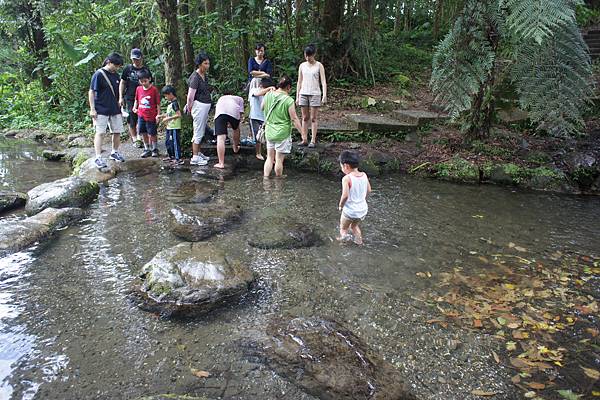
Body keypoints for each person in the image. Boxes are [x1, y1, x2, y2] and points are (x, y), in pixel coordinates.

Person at [88, 52, 126, 169]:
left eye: (119, 66)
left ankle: (114, 152)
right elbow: (91, 91)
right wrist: (92, 109)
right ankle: (98, 157)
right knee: (100, 132)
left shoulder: (116, 75)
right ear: (109, 62)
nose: (118, 68)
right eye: (116, 65)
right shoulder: (98, 74)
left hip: (115, 108)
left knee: (117, 131)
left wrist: (120, 99)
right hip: (101, 109)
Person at [262, 76, 303, 178]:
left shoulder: (268, 94)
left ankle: (266, 178)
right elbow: (294, 118)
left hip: (269, 131)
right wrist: (303, 133)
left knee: (269, 158)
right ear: (288, 87)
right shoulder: (288, 100)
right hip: (282, 133)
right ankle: (278, 180)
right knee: (279, 159)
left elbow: (262, 107)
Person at [119, 48, 152, 148]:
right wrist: (120, 97)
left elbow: (151, 84)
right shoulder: (127, 69)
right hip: (130, 96)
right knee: (131, 117)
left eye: (137, 59)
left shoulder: (146, 70)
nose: (135, 61)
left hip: (143, 97)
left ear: (141, 58)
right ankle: (134, 138)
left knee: (141, 117)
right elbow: (122, 82)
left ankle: (140, 136)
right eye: (133, 59)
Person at [337, 150, 372, 245]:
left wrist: (340, 205)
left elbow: (345, 196)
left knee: (343, 228)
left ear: (346, 166)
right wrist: (362, 200)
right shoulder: (364, 175)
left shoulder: (347, 178)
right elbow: (369, 190)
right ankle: (359, 242)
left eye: (341, 166)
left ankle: (343, 243)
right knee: (354, 226)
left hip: (350, 211)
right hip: (362, 210)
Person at [296, 44, 327, 148]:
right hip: (303, 93)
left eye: (310, 55)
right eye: (306, 55)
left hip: (315, 93)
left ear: (314, 54)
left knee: (313, 118)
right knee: (305, 117)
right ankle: (304, 138)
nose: (308, 58)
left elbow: (323, 81)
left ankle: (313, 140)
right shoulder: (302, 66)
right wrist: (297, 96)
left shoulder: (319, 65)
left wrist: (324, 95)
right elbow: (299, 81)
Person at [186, 52, 212, 166]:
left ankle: (198, 152)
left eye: (208, 63)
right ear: (199, 64)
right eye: (205, 64)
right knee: (197, 131)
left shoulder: (204, 76)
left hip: (205, 105)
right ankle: (195, 156)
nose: (207, 66)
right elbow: (190, 96)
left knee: (201, 130)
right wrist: (190, 107)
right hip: (198, 106)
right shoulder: (195, 77)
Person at [132, 70, 160, 158]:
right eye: (141, 81)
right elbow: (136, 99)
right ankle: (146, 148)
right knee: (143, 131)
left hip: (151, 115)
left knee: (152, 133)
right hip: (141, 114)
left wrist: (158, 115)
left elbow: (158, 104)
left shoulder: (154, 90)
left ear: (149, 79)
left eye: (145, 81)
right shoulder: (138, 89)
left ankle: (154, 148)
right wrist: (134, 107)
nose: (143, 83)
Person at [213, 92, 245, 169]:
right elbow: (240, 114)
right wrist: (233, 123)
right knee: (236, 129)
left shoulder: (221, 98)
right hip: (233, 110)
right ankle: (235, 148)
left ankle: (221, 163)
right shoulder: (240, 98)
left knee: (220, 137)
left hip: (220, 112)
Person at [248, 77, 276, 160]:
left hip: (265, 117)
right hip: (254, 117)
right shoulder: (254, 90)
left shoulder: (268, 93)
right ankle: (258, 153)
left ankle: (269, 155)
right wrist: (268, 89)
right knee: (257, 136)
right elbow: (257, 94)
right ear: (261, 85)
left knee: (268, 136)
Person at [157, 85, 183, 164]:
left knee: (175, 142)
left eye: (166, 96)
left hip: (175, 127)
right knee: (168, 142)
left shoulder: (175, 103)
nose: (165, 98)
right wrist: (161, 116)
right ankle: (171, 156)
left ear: (171, 94)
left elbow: (179, 115)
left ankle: (178, 158)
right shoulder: (170, 104)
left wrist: (168, 119)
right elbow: (169, 114)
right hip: (169, 127)